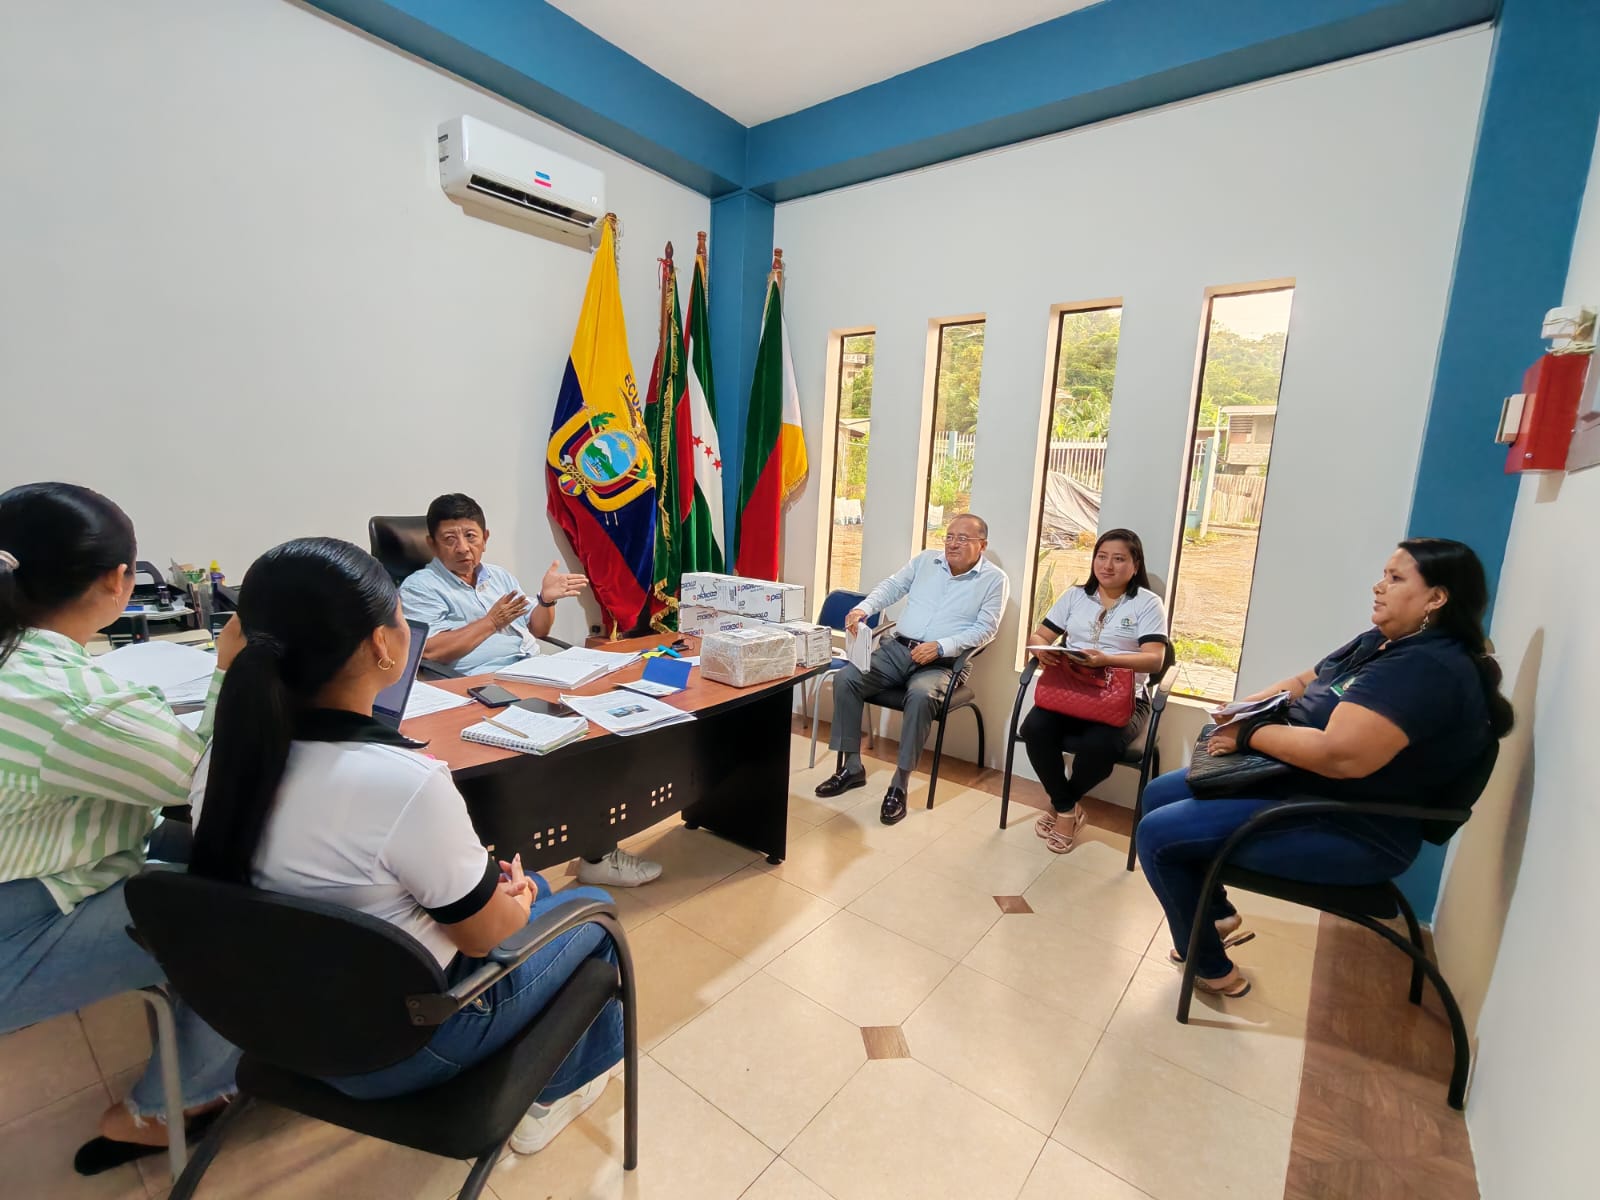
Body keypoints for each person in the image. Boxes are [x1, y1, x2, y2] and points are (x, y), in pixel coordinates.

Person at [188, 538, 624, 1154]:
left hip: (276, 1021)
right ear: (381, 645)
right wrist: (517, 902)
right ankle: (556, 1092)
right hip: (401, 1047)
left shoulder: (221, 760)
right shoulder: (404, 783)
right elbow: (484, 938)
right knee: (594, 912)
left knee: (540, 889)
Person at [1136, 538, 1514, 999]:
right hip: (1302, 787)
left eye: (1396, 579)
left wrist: (1249, 733)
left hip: (1353, 825)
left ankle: (1212, 969)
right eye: (1384, 574)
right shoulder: (1384, 641)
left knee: (1158, 835)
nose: (1378, 586)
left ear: (1436, 598)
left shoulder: (1424, 669)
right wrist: (1243, 709)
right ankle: (1215, 915)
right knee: (1159, 794)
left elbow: (1340, 756)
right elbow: (1304, 681)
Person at [0, 483, 243, 1175]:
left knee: (212, 857)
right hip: (17, 924)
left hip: (40, 864)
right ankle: (170, 1106)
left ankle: (204, 1035)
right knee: (252, 909)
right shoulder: (72, 698)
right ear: (119, 581)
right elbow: (199, 782)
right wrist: (227, 668)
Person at [399, 493, 659, 889]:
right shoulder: (420, 587)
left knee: (606, 727)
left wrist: (545, 600)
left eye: (470, 536)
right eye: (449, 539)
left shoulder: (499, 577)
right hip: (479, 692)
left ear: (485, 538)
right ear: (432, 544)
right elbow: (430, 651)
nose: (463, 548)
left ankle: (596, 849)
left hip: (531, 674)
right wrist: (490, 622)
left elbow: (536, 630)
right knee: (577, 747)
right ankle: (593, 855)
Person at [815, 513, 1009, 826]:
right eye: (949, 537)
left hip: (944, 662)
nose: (952, 544)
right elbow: (893, 586)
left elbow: (986, 630)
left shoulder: (994, 580)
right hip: (898, 649)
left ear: (982, 545)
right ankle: (851, 767)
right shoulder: (926, 561)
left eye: (962, 539)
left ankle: (899, 784)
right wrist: (862, 609)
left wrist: (941, 646)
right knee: (847, 678)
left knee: (920, 696)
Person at [1020, 529, 1169, 854]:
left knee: (1101, 746)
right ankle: (1067, 809)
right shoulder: (1075, 596)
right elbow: (1040, 635)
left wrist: (1107, 659)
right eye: (1101, 557)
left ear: (1135, 565)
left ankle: (1061, 805)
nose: (1107, 565)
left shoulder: (1147, 603)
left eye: (1119, 559)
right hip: (1070, 692)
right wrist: (1040, 649)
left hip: (1123, 699)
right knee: (1034, 728)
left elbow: (1155, 659)